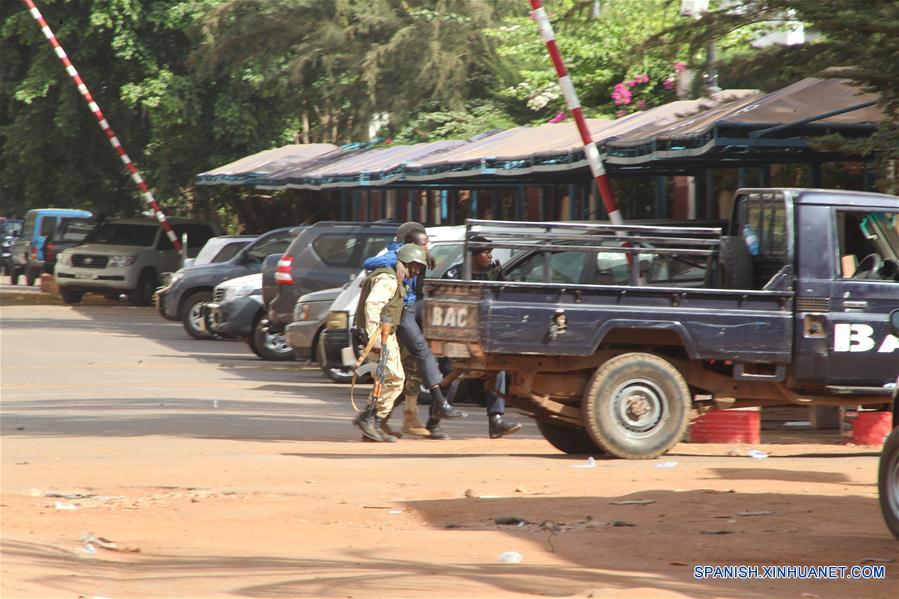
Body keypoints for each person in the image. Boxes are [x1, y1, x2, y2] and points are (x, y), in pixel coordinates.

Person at [363, 225, 466, 440]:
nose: (426, 249)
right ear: (409, 246)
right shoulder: (397, 255)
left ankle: (378, 421)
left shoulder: (417, 256)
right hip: (401, 315)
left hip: (410, 310)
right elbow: (369, 263)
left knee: (405, 374)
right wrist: (397, 261)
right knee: (411, 361)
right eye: (423, 245)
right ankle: (439, 403)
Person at [443, 236, 521, 439]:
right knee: (451, 373)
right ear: (474, 255)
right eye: (486, 252)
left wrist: (503, 282)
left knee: (498, 368)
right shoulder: (455, 274)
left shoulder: (493, 274)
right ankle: (434, 418)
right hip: (458, 335)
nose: (490, 256)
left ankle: (496, 420)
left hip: (485, 337)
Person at [352, 243, 429, 442]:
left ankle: (370, 423)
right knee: (394, 379)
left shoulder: (396, 276)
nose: (417, 270)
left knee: (385, 380)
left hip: (385, 334)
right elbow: (373, 305)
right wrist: (375, 339)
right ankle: (370, 419)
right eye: (415, 266)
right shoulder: (388, 278)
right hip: (379, 335)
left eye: (420, 267)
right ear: (405, 262)